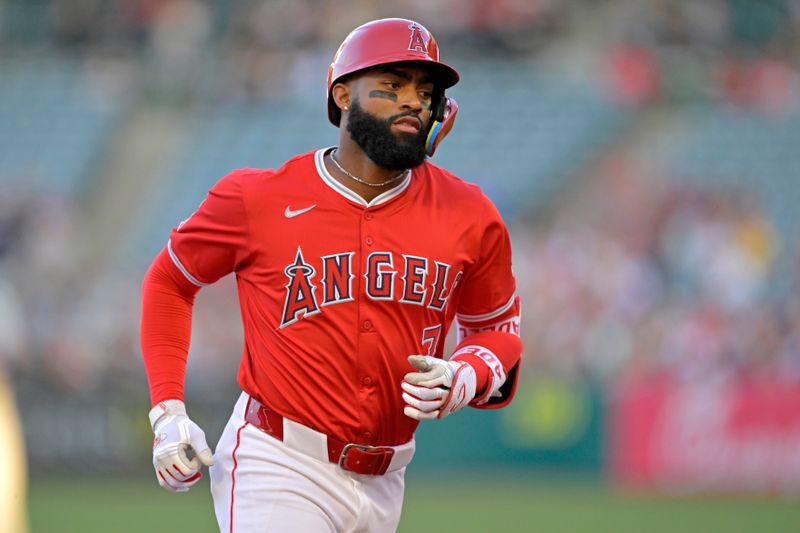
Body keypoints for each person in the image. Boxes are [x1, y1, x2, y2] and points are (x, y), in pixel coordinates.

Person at [141, 18, 522, 532]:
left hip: (389, 477)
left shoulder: (470, 213)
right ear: (342, 95)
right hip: (277, 460)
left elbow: (497, 331)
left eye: (425, 91)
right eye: (391, 85)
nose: (413, 100)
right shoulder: (257, 198)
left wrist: (464, 375)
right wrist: (167, 412)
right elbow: (170, 281)